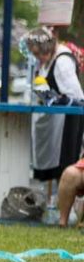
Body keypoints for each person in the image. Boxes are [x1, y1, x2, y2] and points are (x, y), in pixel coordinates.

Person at [25, 28, 84, 184]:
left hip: (66, 123)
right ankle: (51, 201)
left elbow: (75, 96)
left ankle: (64, 205)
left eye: (40, 54)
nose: (39, 58)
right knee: (50, 168)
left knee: (64, 166)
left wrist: (55, 99)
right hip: (51, 123)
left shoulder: (62, 61)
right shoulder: (45, 61)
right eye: (35, 54)